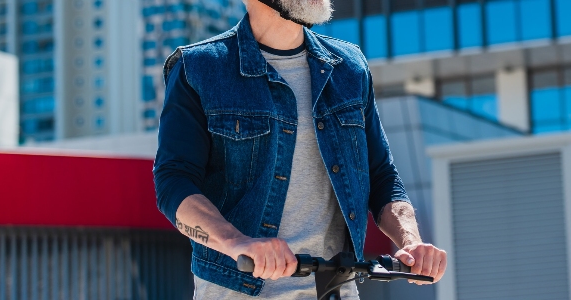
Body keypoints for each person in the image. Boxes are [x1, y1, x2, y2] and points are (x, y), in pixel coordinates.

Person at [152, 0, 447, 298]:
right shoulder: (199, 68)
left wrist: (411, 242)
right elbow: (174, 182)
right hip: (236, 290)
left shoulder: (350, 67)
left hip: (337, 290)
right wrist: (237, 243)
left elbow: (382, 175)